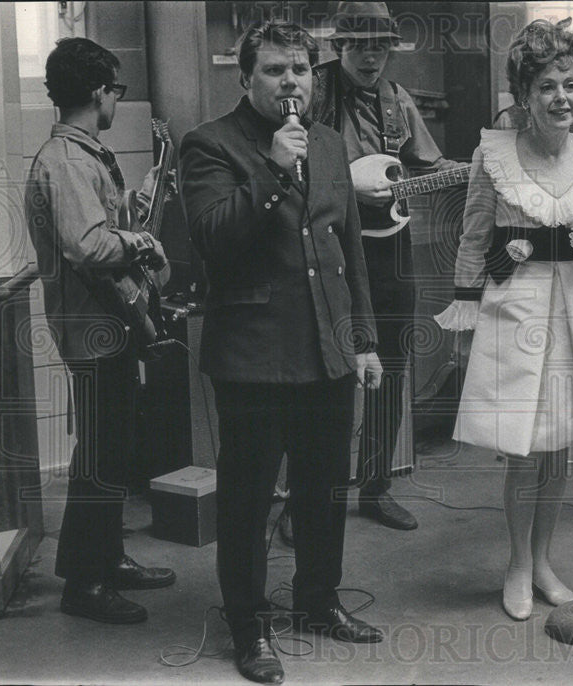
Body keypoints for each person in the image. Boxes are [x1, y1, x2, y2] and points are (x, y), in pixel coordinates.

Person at [179, 20, 384, 684]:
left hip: (326, 349)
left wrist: (364, 340)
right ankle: (249, 626)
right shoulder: (210, 145)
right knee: (248, 500)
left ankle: (318, 601)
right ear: (245, 78)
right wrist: (271, 165)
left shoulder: (327, 144)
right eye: (274, 70)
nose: (290, 81)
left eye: (299, 68)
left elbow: (348, 252)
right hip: (253, 357)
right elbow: (212, 239)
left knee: (325, 491)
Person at [435, 18, 573, 621]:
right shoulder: (492, 156)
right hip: (516, 313)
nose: (562, 98)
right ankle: (518, 564)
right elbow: (473, 240)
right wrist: (465, 324)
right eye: (547, 86)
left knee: (561, 450)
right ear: (523, 95)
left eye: (571, 85)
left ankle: (545, 561)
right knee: (525, 452)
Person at [25, 38, 176, 624]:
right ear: (98, 92)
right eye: (116, 90)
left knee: (110, 446)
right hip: (91, 328)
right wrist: (140, 240)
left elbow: (94, 227)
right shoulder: (66, 161)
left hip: (106, 322)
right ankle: (84, 584)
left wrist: (130, 213)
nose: (118, 99)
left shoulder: (84, 157)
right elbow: (87, 246)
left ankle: (107, 559)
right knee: (98, 454)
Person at [310, 1, 457, 531]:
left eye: (381, 45)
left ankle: (375, 486)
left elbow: (428, 164)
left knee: (390, 369)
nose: (372, 56)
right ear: (339, 45)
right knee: (322, 372)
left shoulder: (398, 100)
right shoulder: (312, 91)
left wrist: (475, 170)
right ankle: (312, 498)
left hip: (388, 248)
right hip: (323, 247)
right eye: (360, 44)